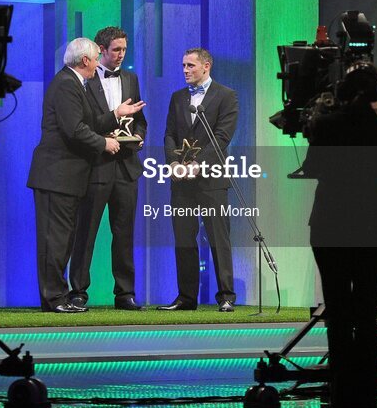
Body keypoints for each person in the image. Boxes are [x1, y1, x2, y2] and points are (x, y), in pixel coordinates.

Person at [301, 62, 377, 408]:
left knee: (339, 313)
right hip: (374, 225)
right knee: (366, 313)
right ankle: (367, 393)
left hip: (332, 224)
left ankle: (342, 393)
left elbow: (311, 168)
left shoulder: (326, 126)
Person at [27, 37, 146, 313]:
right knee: (55, 240)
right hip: (56, 175)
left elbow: (91, 122)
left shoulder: (73, 83)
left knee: (61, 239)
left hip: (67, 177)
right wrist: (104, 143)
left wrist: (117, 113)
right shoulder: (66, 84)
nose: (96, 65)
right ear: (85, 60)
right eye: (94, 60)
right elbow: (75, 129)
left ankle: (58, 297)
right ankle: (55, 298)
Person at [69, 27, 148, 311]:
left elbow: (140, 119)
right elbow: (81, 123)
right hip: (96, 166)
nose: (121, 54)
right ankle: (78, 291)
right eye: (116, 50)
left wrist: (138, 137)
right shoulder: (84, 79)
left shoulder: (130, 78)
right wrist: (104, 139)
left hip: (127, 167)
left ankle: (125, 293)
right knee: (86, 231)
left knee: (124, 234)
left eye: (124, 49)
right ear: (101, 50)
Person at [159, 48, 239, 312]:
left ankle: (226, 296)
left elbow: (222, 137)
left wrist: (198, 164)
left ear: (206, 66)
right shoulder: (178, 97)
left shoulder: (226, 96)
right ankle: (186, 298)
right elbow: (169, 134)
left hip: (211, 180)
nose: (185, 70)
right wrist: (173, 163)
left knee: (218, 238)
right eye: (183, 65)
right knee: (184, 238)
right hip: (181, 181)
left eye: (190, 65)